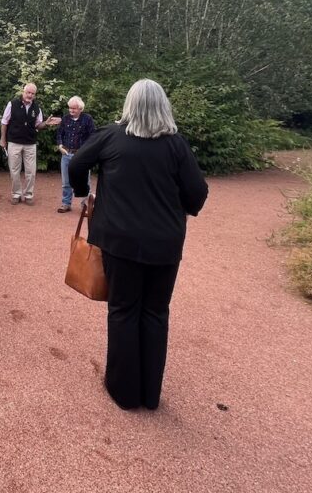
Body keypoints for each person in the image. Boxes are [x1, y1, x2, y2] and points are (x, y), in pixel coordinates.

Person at [68, 79, 208, 411]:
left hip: (120, 242)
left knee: (123, 310)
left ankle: (123, 391)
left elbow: (76, 165)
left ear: (130, 105)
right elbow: (197, 194)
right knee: (156, 313)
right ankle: (149, 393)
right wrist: (180, 208)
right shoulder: (176, 145)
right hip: (164, 244)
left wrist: (83, 193)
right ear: (164, 106)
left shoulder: (111, 136)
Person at [0, 82, 61, 205]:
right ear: (23, 91)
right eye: (28, 92)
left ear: (35, 95)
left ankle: (28, 195)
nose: (30, 95)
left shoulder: (37, 108)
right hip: (14, 142)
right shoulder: (12, 104)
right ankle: (16, 194)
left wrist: (46, 124)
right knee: (14, 170)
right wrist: (2, 139)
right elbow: (4, 122)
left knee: (31, 171)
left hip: (30, 143)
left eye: (32, 93)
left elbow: (38, 125)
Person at [55, 96, 96, 213]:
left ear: (80, 109)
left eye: (74, 108)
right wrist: (60, 146)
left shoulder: (87, 119)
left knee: (85, 181)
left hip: (81, 155)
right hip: (66, 153)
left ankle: (86, 205)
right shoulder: (65, 119)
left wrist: (86, 150)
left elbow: (93, 136)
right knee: (66, 182)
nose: (71, 110)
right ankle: (66, 204)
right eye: (70, 108)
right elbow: (59, 134)